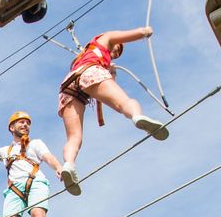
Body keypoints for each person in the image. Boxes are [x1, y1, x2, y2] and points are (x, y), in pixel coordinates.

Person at [56, 28, 169, 193]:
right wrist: (145, 32)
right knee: (124, 102)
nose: (116, 52)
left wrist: (111, 69)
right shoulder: (105, 39)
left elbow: (109, 86)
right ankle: (137, 117)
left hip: (68, 84)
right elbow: (127, 36)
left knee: (74, 138)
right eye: (117, 48)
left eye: (118, 53)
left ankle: (68, 165)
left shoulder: (84, 55)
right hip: (90, 72)